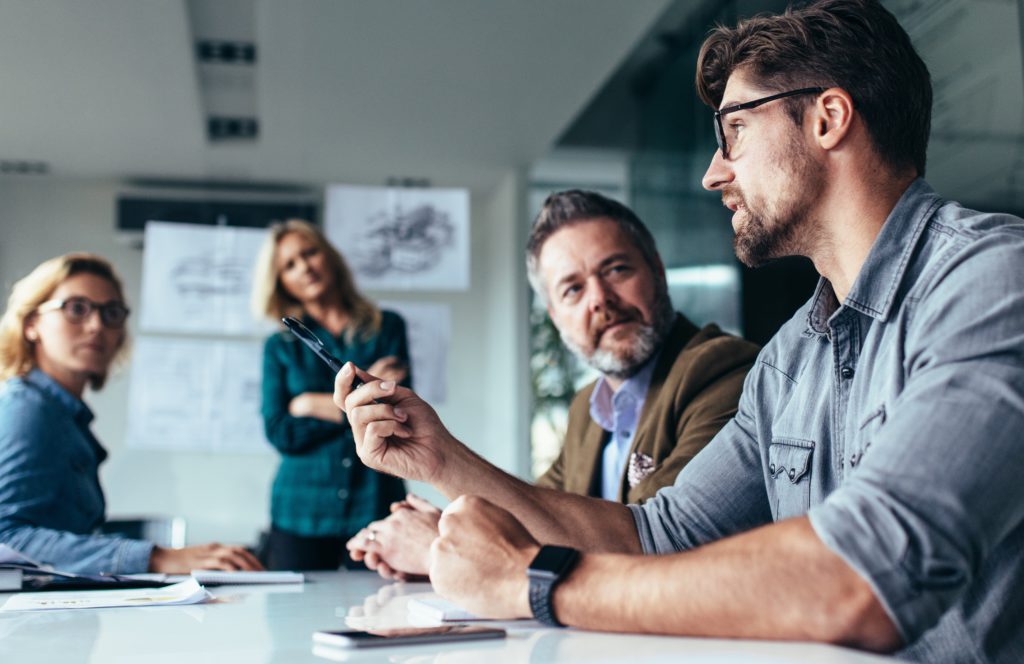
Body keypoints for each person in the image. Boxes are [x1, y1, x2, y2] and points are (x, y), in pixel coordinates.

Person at [333, 0, 1024, 660]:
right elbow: (659, 535)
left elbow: (864, 577)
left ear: (828, 118)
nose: (712, 173)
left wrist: (531, 583)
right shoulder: (792, 357)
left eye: (735, 132)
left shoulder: (991, 281)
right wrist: (439, 460)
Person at [345, 190, 759, 580]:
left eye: (616, 269)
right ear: (555, 315)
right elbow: (536, 516)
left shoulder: (722, 371)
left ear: (657, 270)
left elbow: (652, 545)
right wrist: (451, 523)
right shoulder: (588, 408)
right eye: (573, 289)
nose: (599, 299)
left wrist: (440, 546)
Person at [0, 253, 263, 575]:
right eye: (76, 308)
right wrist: (157, 557)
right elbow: (6, 539)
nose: (97, 326)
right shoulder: (26, 409)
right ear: (31, 324)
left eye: (111, 313)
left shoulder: (63, 415)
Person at [252, 219, 410, 571]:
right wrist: (358, 405)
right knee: (294, 620)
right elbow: (280, 431)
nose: (304, 267)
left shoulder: (388, 328)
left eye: (310, 253)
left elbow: (394, 413)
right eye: (289, 265)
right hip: (300, 511)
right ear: (281, 282)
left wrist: (308, 405)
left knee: (381, 613)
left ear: (329, 257)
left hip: (374, 503)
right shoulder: (280, 347)